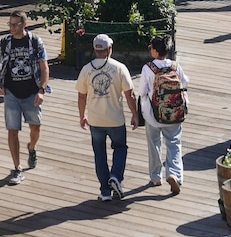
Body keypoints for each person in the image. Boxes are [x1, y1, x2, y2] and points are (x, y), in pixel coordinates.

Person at [76, 33, 138, 201]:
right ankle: (116, 176)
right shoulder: (119, 68)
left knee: (99, 154)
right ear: (109, 49)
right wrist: (135, 114)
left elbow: (81, 96)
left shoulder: (86, 69)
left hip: (95, 120)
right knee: (120, 148)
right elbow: (130, 94)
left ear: (95, 49)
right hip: (115, 119)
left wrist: (82, 115)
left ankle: (105, 192)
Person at [0, 12, 50, 184]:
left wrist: (42, 90)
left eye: (15, 24)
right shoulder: (4, 43)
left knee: (36, 126)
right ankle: (17, 168)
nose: (12, 28)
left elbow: (44, 67)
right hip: (11, 92)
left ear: (25, 24)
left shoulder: (35, 41)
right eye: (10, 24)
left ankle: (32, 148)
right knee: (12, 129)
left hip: (32, 91)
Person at [138, 35, 189, 194]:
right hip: (175, 114)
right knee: (174, 144)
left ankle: (156, 177)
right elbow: (185, 83)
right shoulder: (175, 66)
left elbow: (142, 91)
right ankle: (174, 174)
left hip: (153, 114)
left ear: (154, 51)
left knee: (154, 144)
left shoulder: (148, 68)